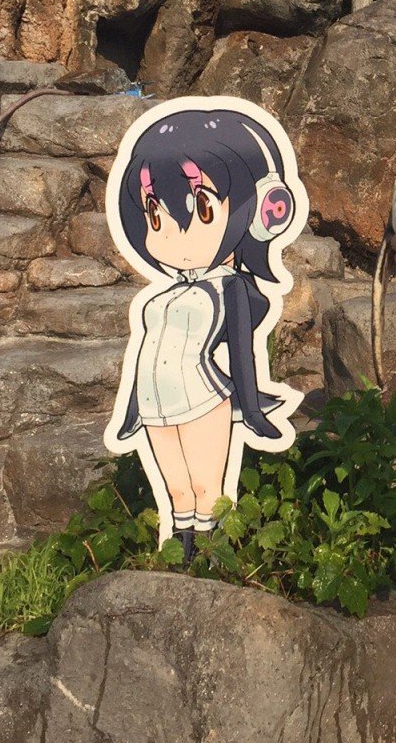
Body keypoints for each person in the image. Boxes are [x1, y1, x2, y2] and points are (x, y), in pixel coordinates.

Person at [106, 105, 300, 558]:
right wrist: (131, 411)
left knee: (205, 491)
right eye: (154, 215)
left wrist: (253, 413)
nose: (173, 234)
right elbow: (144, 353)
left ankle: (211, 567)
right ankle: (178, 565)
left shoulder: (230, 287)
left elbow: (244, 355)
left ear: (262, 211)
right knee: (177, 494)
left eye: (202, 208)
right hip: (153, 403)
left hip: (202, 399)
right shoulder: (160, 296)